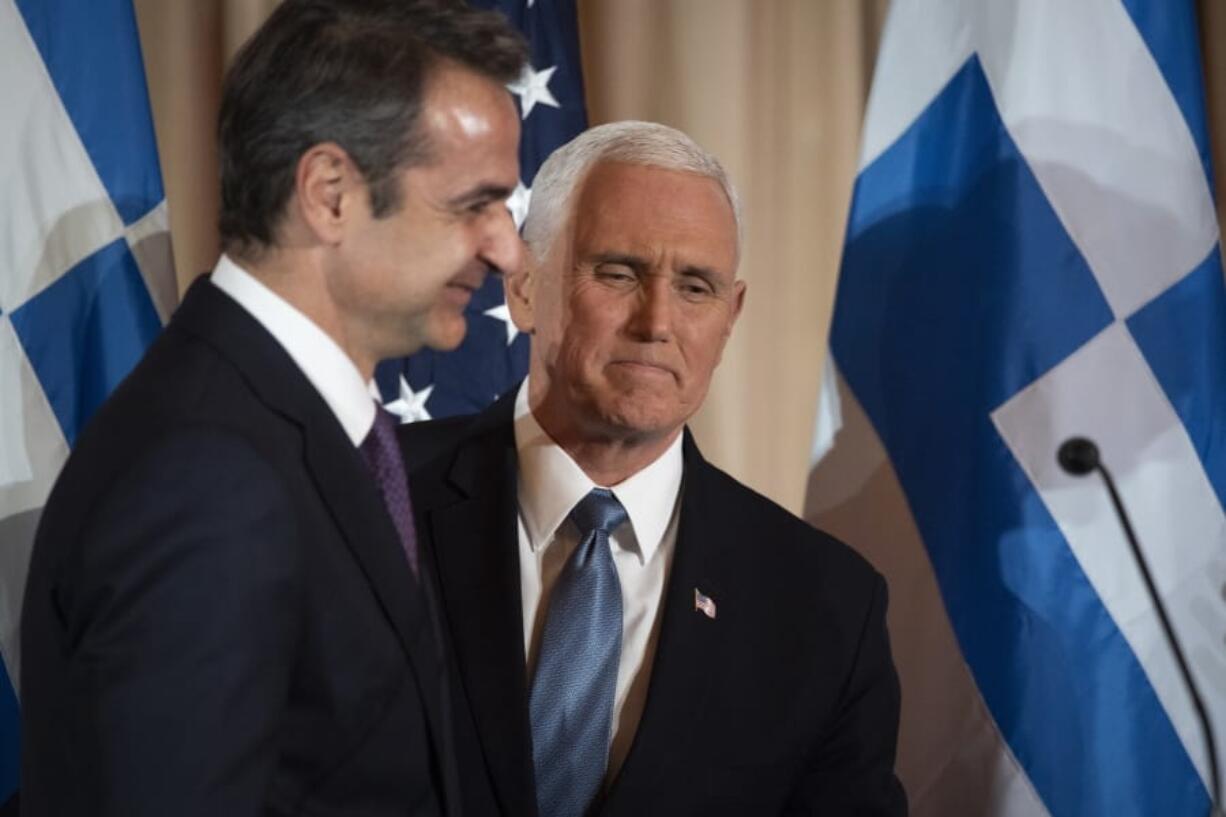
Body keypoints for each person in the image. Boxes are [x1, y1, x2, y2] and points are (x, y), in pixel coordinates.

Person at [19, 1, 526, 814]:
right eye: (475, 204)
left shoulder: (300, 426)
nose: (508, 250)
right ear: (329, 193)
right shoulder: (207, 479)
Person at [400, 121, 908, 816]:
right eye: (618, 271)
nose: (657, 321)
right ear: (523, 287)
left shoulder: (824, 607)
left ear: (730, 318)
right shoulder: (364, 500)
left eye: (696, 286)